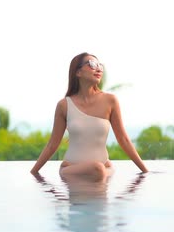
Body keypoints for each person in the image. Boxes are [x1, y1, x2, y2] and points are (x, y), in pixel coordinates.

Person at [30, 52, 148, 181]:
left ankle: (103, 171)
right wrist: (33, 173)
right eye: (92, 64)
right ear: (78, 72)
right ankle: (99, 170)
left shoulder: (110, 101)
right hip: (72, 171)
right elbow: (52, 144)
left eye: (100, 66)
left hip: (102, 171)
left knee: (100, 169)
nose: (98, 69)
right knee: (98, 169)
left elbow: (123, 140)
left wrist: (145, 171)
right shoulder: (64, 105)